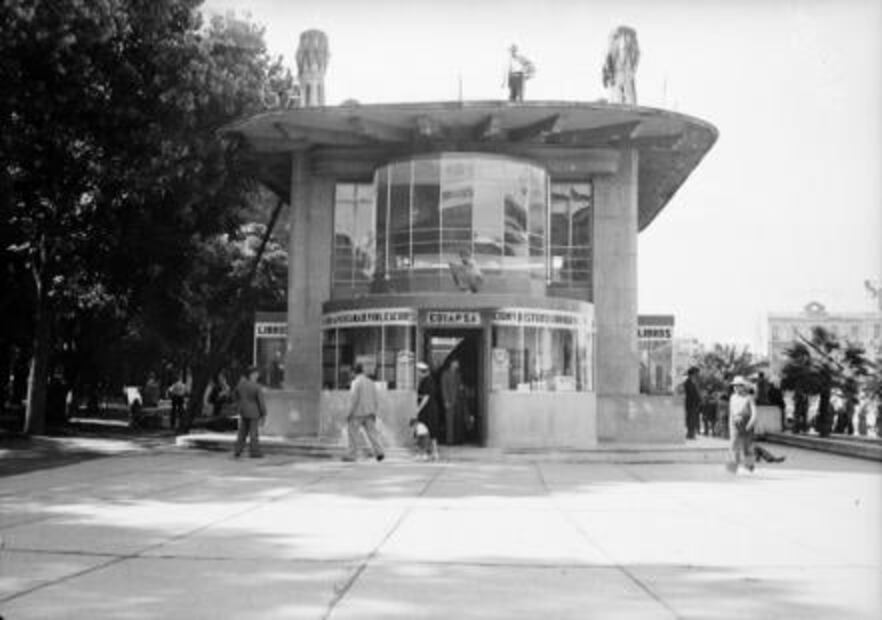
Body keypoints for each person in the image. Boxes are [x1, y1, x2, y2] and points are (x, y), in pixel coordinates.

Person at [343, 363, 385, 462]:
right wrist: (374, 412)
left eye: (351, 373)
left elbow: (354, 399)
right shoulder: (371, 382)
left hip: (357, 413)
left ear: (354, 372)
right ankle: (379, 452)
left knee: (353, 435)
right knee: (372, 434)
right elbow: (376, 399)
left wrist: (348, 413)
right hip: (370, 413)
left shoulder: (356, 383)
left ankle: (351, 455)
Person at [233, 366, 267, 458]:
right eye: (256, 374)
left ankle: (237, 450)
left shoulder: (241, 385)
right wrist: (264, 414)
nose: (257, 375)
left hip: (243, 411)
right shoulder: (256, 386)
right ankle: (254, 452)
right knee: (253, 433)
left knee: (242, 432)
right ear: (252, 375)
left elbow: (235, 395)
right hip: (254, 412)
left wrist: (239, 405)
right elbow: (261, 402)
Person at [727, 376, 758, 473]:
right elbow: (731, 412)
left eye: (738, 386)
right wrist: (730, 425)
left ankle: (750, 467)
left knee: (747, 447)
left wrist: (750, 424)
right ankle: (733, 468)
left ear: (743, 386)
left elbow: (754, 413)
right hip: (734, 425)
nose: (736, 388)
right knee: (733, 446)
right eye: (734, 386)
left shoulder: (749, 398)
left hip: (746, 424)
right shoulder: (732, 398)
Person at [416, 361, 440, 459]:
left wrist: (418, 409)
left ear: (422, 372)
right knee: (432, 431)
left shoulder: (427, 381)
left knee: (424, 431)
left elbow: (426, 397)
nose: (417, 374)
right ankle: (434, 453)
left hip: (427, 409)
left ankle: (424, 453)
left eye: (418, 372)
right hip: (431, 408)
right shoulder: (429, 380)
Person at [441, 359, 463, 445]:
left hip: (458, 401)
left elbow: (460, 387)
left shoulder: (458, 375)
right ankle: (449, 440)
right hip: (449, 400)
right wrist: (446, 400)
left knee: (457, 421)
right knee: (449, 421)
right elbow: (444, 388)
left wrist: (461, 388)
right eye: (456, 363)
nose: (458, 364)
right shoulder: (445, 374)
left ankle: (457, 439)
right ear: (452, 363)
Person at [683, 366, 702, 440]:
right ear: (692, 374)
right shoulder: (687, 383)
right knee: (690, 419)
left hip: (694, 405)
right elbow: (691, 394)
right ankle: (690, 434)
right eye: (697, 373)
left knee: (693, 419)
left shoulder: (693, 382)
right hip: (690, 404)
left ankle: (691, 433)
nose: (698, 375)